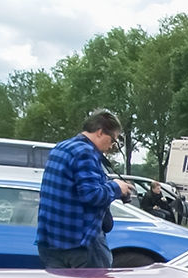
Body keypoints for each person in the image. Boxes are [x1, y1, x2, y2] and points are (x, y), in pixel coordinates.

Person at [36, 109, 130, 269]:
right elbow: (92, 195)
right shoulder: (85, 152)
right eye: (113, 139)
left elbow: (73, 188)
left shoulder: (62, 147)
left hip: (51, 240)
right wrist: (117, 187)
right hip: (80, 243)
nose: (111, 146)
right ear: (100, 132)